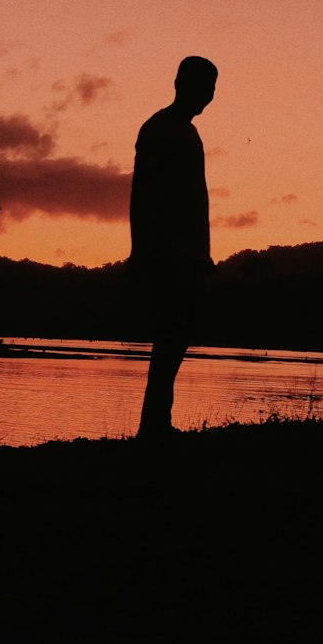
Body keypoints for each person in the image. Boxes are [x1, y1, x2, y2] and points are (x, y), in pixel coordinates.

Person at [128, 56, 218, 441]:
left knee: (176, 336)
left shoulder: (186, 132)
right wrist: (141, 251)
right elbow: (142, 194)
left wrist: (203, 251)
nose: (209, 95)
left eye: (213, 88)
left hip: (189, 253)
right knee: (170, 336)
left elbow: (195, 201)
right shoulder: (159, 130)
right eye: (204, 86)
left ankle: (156, 422)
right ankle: (154, 426)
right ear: (181, 83)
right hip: (168, 252)